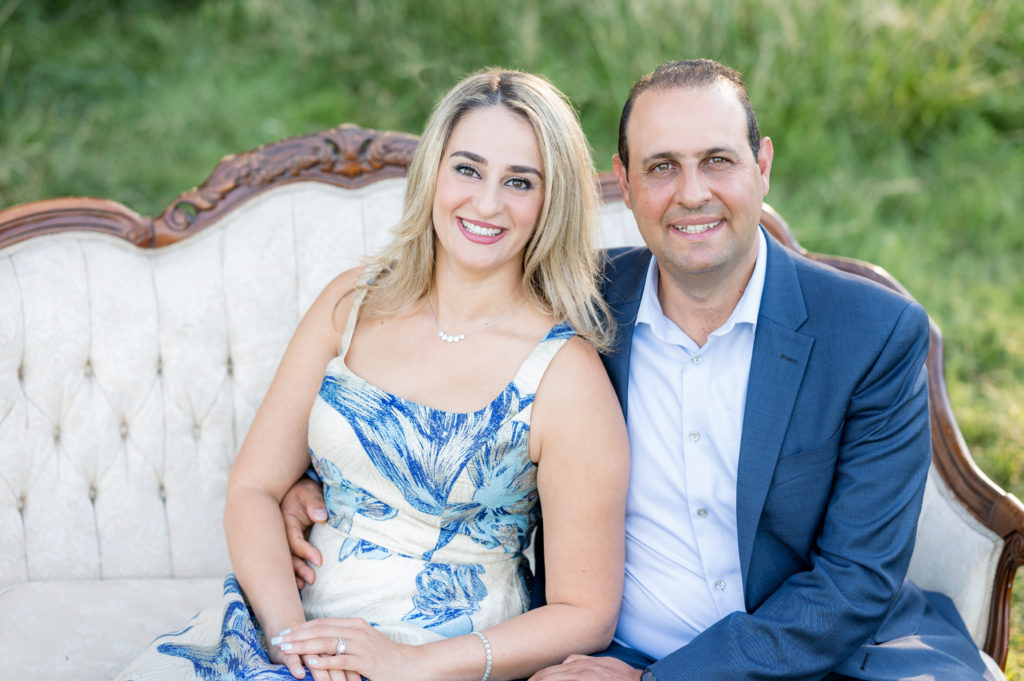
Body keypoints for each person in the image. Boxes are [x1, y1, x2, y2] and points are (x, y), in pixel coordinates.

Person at [285, 60, 998, 681]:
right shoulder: (578, 307)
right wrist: (316, 482)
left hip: (828, 658)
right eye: (661, 166)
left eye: (717, 160)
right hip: (607, 654)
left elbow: (852, 584)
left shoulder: (871, 334)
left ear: (763, 165)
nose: (691, 193)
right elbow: (457, 388)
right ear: (623, 182)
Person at [115, 69, 629, 681]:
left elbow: (586, 612)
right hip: (289, 633)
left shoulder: (564, 374)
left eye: (519, 182)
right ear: (434, 172)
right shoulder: (353, 304)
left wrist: (412, 664)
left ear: (552, 201)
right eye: (467, 169)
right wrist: (289, 641)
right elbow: (253, 488)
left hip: (439, 659)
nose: (487, 203)